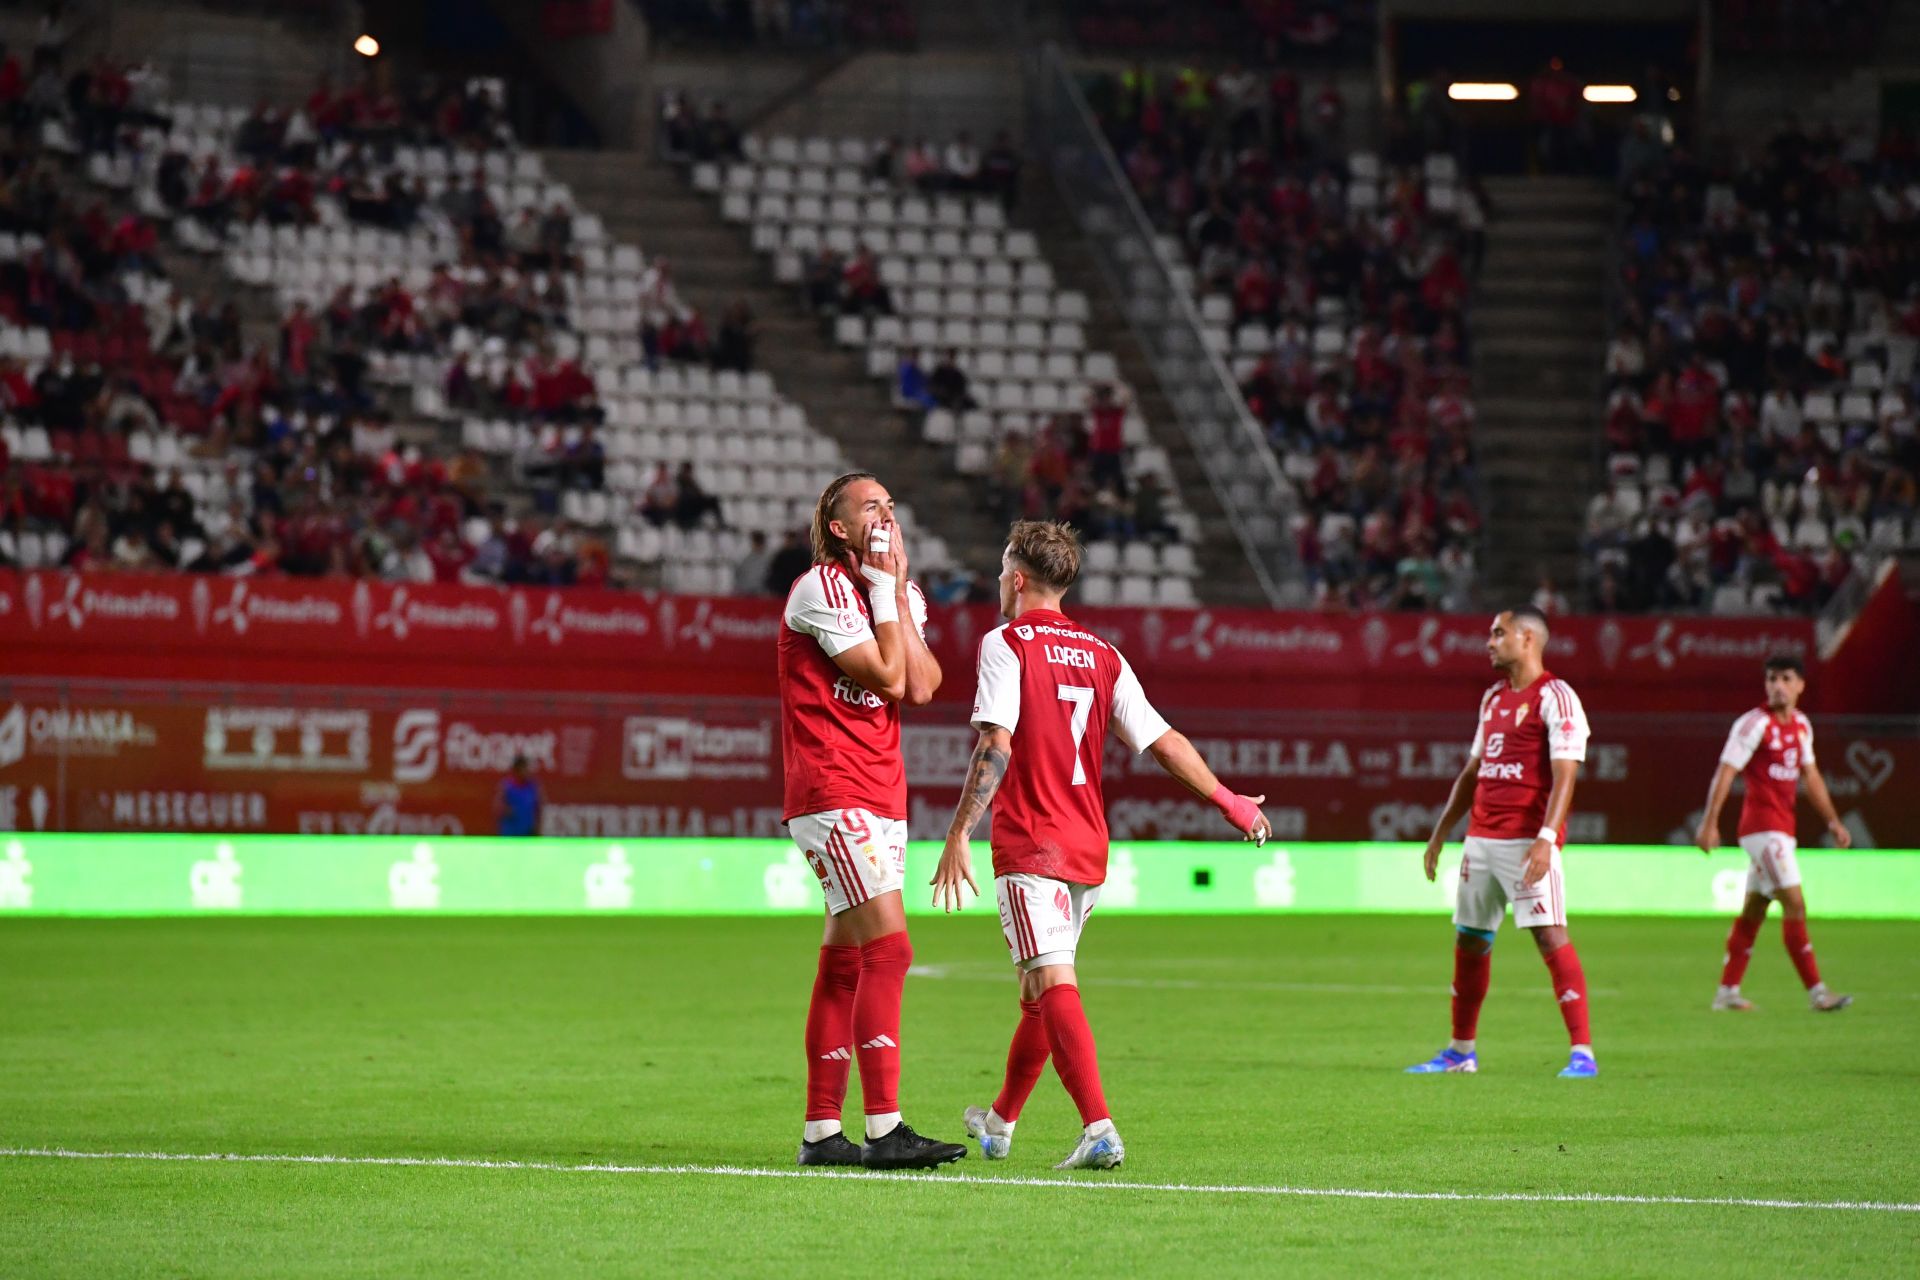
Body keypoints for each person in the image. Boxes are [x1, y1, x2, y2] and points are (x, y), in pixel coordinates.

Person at [931, 521, 1273, 1169]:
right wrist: (1229, 800)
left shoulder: (1006, 643)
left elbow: (995, 743)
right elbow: (1163, 741)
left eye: (1002, 570)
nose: (999, 581)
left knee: (1051, 981)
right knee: (1038, 989)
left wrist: (957, 834)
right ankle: (999, 1122)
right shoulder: (1102, 654)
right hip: (1088, 846)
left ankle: (1098, 1127)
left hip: (1033, 841)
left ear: (1019, 579)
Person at [779, 472, 963, 1171]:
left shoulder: (898, 592)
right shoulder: (820, 589)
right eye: (870, 507)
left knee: (846, 963)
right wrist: (888, 592)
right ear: (839, 528)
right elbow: (888, 676)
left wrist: (894, 590)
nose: (886, 515)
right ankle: (885, 1128)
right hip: (834, 790)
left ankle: (822, 1132)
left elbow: (923, 684)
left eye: (890, 505)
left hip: (882, 794)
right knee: (891, 950)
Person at [1407, 607, 1597, 1078]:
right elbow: (1474, 771)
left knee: (1550, 935)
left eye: (1498, 633)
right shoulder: (1493, 697)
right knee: (1470, 939)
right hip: (1481, 840)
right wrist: (1441, 831)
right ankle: (1460, 1051)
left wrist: (1546, 839)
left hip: (1526, 842)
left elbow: (1566, 774)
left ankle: (1582, 1053)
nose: (1489, 643)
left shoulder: (1557, 697)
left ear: (1527, 638)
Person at [1694, 655, 1853, 1012]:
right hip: (1762, 830)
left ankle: (1727, 992)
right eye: (1771, 679)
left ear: (1800, 685)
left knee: (1755, 908)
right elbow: (1726, 772)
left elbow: (1811, 776)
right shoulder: (1754, 724)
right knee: (1795, 904)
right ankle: (1818, 993)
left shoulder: (1801, 726)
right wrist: (1709, 822)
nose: (1778, 686)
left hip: (1782, 829)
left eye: (1785, 679)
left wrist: (1833, 821)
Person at [494, 755, 540, 837]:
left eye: (527, 768)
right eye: (524, 768)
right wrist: (506, 810)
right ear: (516, 769)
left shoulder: (533, 786)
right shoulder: (506, 786)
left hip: (528, 834)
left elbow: (538, 808)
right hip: (510, 835)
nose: (527, 771)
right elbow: (498, 807)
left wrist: (537, 828)